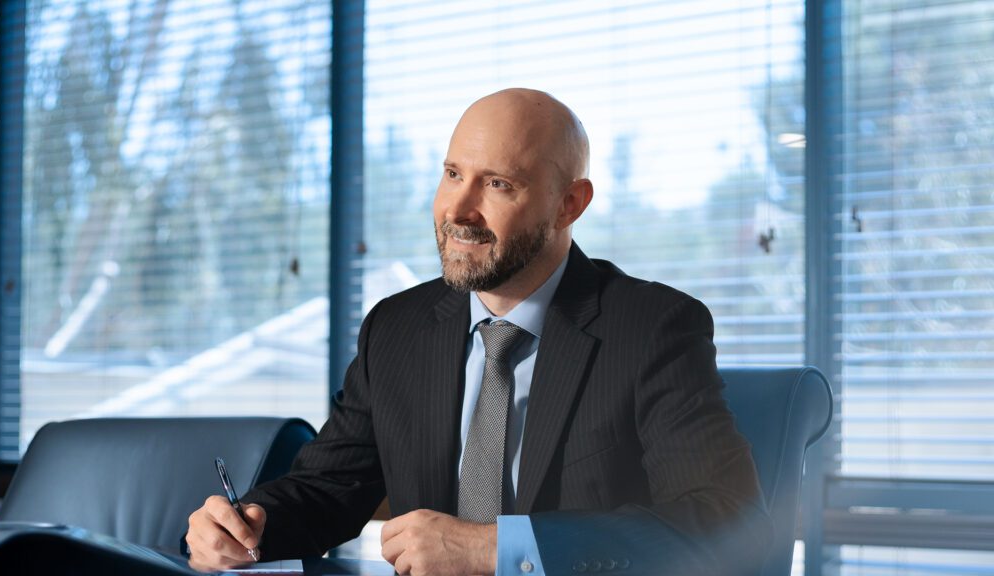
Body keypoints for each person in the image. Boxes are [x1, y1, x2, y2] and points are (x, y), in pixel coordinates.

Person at [186, 88, 771, 575]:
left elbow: (729, 525)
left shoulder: (651, 328)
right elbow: (327, 490)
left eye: (497, 184)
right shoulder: (396, 329)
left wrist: (498, 550)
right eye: (452, 174)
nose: (458, 210)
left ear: (569, 203)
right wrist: (244, 525)